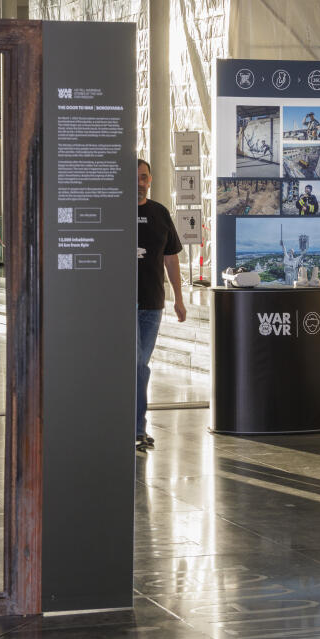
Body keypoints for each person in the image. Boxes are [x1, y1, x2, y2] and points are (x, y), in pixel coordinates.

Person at [135, 159, 187, 454]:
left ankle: (137, 428)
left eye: (143, 177)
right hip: (120, 306)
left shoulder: (160, 213)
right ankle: (135, 429)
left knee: (140, 368)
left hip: (152, 305)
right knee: (136, 366)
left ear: (150, 180)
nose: (138, 182)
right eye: (133, 177)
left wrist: (179, 298)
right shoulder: (114, 213)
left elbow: (171, 258)